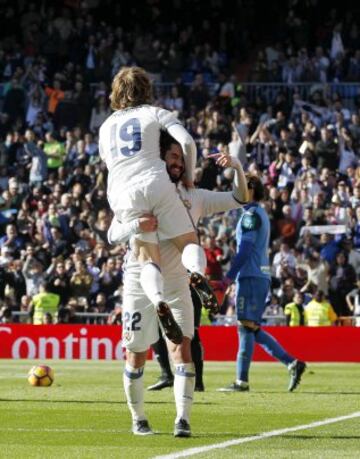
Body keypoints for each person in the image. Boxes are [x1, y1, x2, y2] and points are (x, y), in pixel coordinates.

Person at [108, 131, 249, 436]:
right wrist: (137, 225)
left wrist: (237, 168)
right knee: (135, 353)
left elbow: (239, 198)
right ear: (160, 160)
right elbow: (112, 233)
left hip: (176, 282)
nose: (178, 163)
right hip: (137, 282)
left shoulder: (194, 196)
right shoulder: (140, 191)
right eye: (172, 157)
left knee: (182, 349)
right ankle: (138, 418)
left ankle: (182, 420)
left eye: (181, 159)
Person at [99, 66, 217, 345]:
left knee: (147, 257)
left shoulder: (105, 127)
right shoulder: (155, 113)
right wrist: (188, 175)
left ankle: (159, 301)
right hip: (156, 181)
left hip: (121, 193)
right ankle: (197, 275)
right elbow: (187, 142)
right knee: (188, 241)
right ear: (146, 90)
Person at [217, 175, 306, 393]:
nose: (236, 190)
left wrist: (229, 277)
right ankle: (292, 363)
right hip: (258, 275)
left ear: (252, 190)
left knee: (245, 328)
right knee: (252, 328)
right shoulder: (256, 214)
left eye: (241, 186)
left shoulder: (250, 216)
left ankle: (241, 381)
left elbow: (245, 250)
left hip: (251, 276)